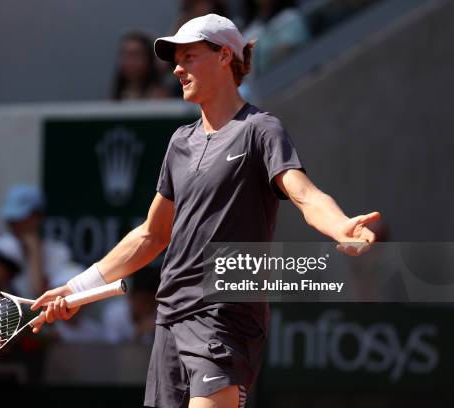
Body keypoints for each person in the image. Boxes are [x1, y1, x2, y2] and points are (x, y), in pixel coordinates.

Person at [31, 14, 380, 408]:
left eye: (190, 56)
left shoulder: (261, 130)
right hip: (170, 317)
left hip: (224, 314)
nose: (177, 68)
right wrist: (77, 289)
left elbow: (304, 196)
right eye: (176, 60)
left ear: (224, 57)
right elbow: (152, 234)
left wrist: (342, 227)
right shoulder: (180, 143)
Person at [0, 184, 83, 298]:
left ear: (38, 217)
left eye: (20, 217)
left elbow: (40, 297)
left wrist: (34, 251)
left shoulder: (59, 252)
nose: (14, 223)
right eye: (12, 219)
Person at [111, 32, 170, 100]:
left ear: (149, 59)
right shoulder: (116, 97)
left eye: (136, 55)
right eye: (126, 55)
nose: (131, 61)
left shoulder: (160, 97)